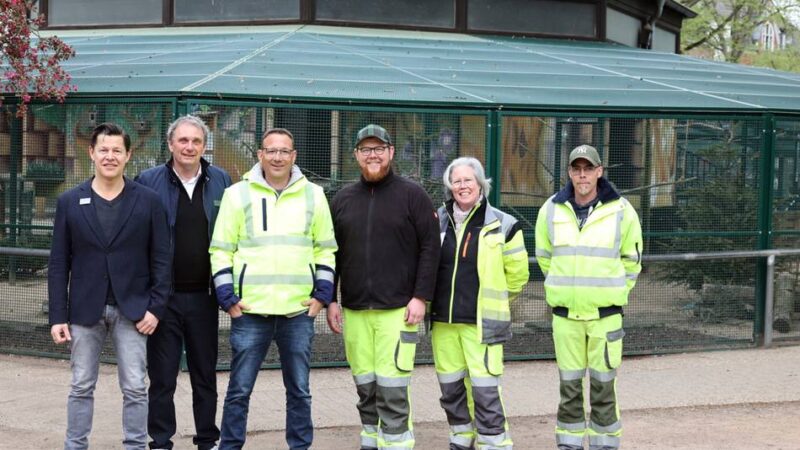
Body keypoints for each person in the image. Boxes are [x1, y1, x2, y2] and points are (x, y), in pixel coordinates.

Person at [209, 128, 337, 450]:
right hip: (251, 311)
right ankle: (230, 446)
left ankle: (299, 446)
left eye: (284, 151)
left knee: (299, 390)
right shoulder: (237, 194)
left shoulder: (314, 195)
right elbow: (221, 249)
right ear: (260, 155)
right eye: (271, 150)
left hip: (298, 311)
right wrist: (228, 299)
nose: (277, 157)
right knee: (239, 390)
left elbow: (325, 249)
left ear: (294, 156)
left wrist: (322, 296)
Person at [48, 122, 172, 450]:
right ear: (91, 152)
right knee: (80, 385)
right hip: (83, 310)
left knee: (134, 386)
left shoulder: (148, 201)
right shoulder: (70, 202)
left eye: (117, 150)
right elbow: (59, 263)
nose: (110, 156)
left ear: (128, 155)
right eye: (103, 149)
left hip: (133, 309)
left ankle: (135, 446)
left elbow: (162, 260)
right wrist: (58, 316)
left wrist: (155, 308)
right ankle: (75, 445)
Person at [327, 124, 440, 450]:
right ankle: (371, 441)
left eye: (379, 148)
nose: (372, 155)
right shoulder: (342, 199)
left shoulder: (413, 195)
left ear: (390, 152)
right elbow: (331, 252)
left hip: (398, 311)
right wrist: (332, 299)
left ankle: (397, 444)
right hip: (355, 309)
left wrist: (421, 297)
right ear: (356, 156)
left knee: (392, 387)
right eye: (366, 149)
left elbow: (430, 248)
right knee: (365, 384)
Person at [534, 144, 642, 450]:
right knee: (569, 388)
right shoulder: (550, 210)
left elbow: (632, 262)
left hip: (605, 318)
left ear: (599, 171)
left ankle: (604, 445)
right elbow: (545, 258)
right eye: (576, 169)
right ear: (569, 172)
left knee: (603, 388)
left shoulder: (622, 211)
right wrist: (564, 285)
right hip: (566, 317)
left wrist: (615, 292)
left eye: (588, 169)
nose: (582, 175)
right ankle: (568, 444)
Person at [135, 115, 232, 450]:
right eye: (183, 140)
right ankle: (160, 441)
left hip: (206, 298)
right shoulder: (148, 181)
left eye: (196, 141)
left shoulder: (221, 181)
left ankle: (208, 439)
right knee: (162, 378)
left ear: (204, 146)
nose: (189, 147)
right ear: (170, 143)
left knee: (205, 375)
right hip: (163, 300)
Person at [431, 157, 529, 450]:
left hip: (481, 324)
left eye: (468, 180)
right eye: (456, 181)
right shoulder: (436, 220)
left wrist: (494, 301)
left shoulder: (504, 223)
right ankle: (461, 440)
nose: (462, 186)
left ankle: (494, 444)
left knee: (485, 391)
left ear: (480, 184)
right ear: (450, 186)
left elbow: (518, 276)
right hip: (443, 323)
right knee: (451, 389)